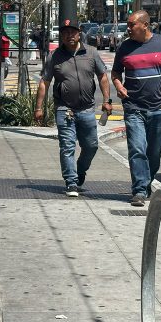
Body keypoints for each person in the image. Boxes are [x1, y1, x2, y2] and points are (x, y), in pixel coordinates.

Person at [34, 19, 111, 197]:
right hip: (64, 109)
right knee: (67, 146)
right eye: (65, 32)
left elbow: (103, 77)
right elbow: (45, 82)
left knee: (91, 146)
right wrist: (39, 108)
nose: (69, 35)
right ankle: (71, 182)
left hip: (87, 109)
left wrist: (107, 99)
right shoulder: (55, 56)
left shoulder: (91, 52)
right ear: (61, 35)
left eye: (73, 32)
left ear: (79, 33)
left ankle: (80, 172)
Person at [111, 10, 161, 207]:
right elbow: (116, 72)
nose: (128, 28)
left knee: (155, 153)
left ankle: (147, 182)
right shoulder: (125, 47)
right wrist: (119, 85)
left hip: (159, 108)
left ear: (145, 25)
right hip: (134, 108)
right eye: (128, 24)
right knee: (137, 149)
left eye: (132, 25)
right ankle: (139, 190)